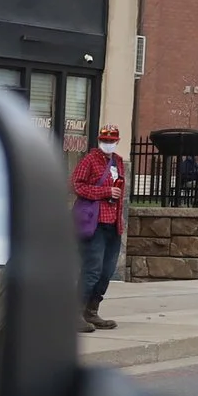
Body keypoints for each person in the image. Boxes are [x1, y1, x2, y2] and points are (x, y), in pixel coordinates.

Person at [71, 126, 126, 331]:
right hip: (94, 224)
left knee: (106, 271)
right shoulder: (90, 160)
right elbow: (76, 185)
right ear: (99, 140)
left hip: (113, 223)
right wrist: (105, 192)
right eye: (105, 140)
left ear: (117, 141)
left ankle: (91, 311)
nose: (108, 143)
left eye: (111, 140)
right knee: (92, 270)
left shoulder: (118, 161)